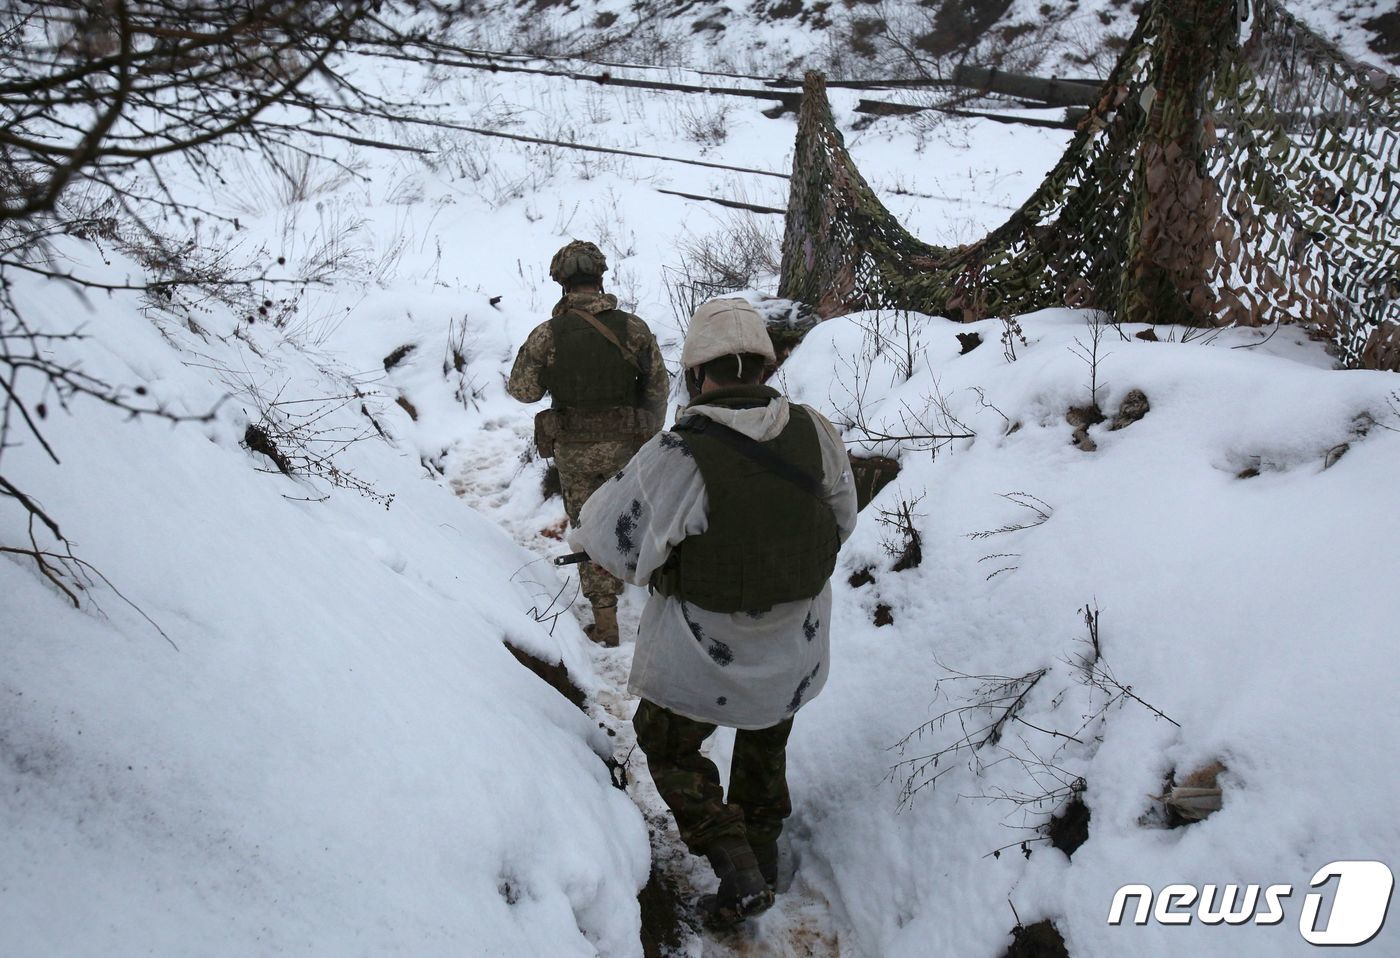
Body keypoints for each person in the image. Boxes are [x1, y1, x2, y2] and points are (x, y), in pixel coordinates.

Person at [568, 298, 858, 925]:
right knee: (766, 740)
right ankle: (762, 854)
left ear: (696, 376)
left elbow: (608, 538)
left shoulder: (676, 454)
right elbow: (842, 521)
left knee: (665, 743)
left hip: (703, 655)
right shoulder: (818, 431)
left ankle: (732, 858)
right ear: (765, 366)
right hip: (795, 649)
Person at [507, 240, 668, 647]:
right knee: (635, 519)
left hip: (575, 452)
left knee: (588, 527)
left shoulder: (548, 334)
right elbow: (658, 387)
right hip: (628, 449)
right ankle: (659, 607)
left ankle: (606, 621)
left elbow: (522, 390)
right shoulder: (632, 327)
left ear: (562, 284)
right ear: (600, 279)